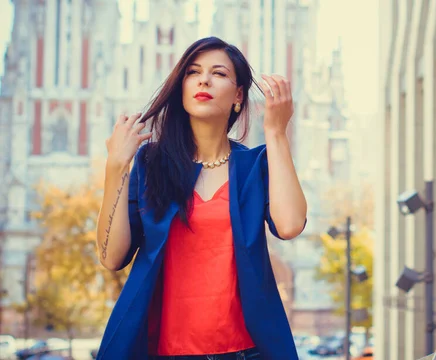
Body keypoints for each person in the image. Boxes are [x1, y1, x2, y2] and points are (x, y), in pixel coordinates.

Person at [94, 37, 307, 360]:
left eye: (219, 73)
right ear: (182, 88)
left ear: (239, 96)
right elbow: (111, 257)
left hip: (247, 353)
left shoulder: (255, 166)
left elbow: (290, 225)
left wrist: (276, 132)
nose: (204, 79)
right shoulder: (151, 164)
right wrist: (116, 167)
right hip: (166, 353)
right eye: (193, 72)